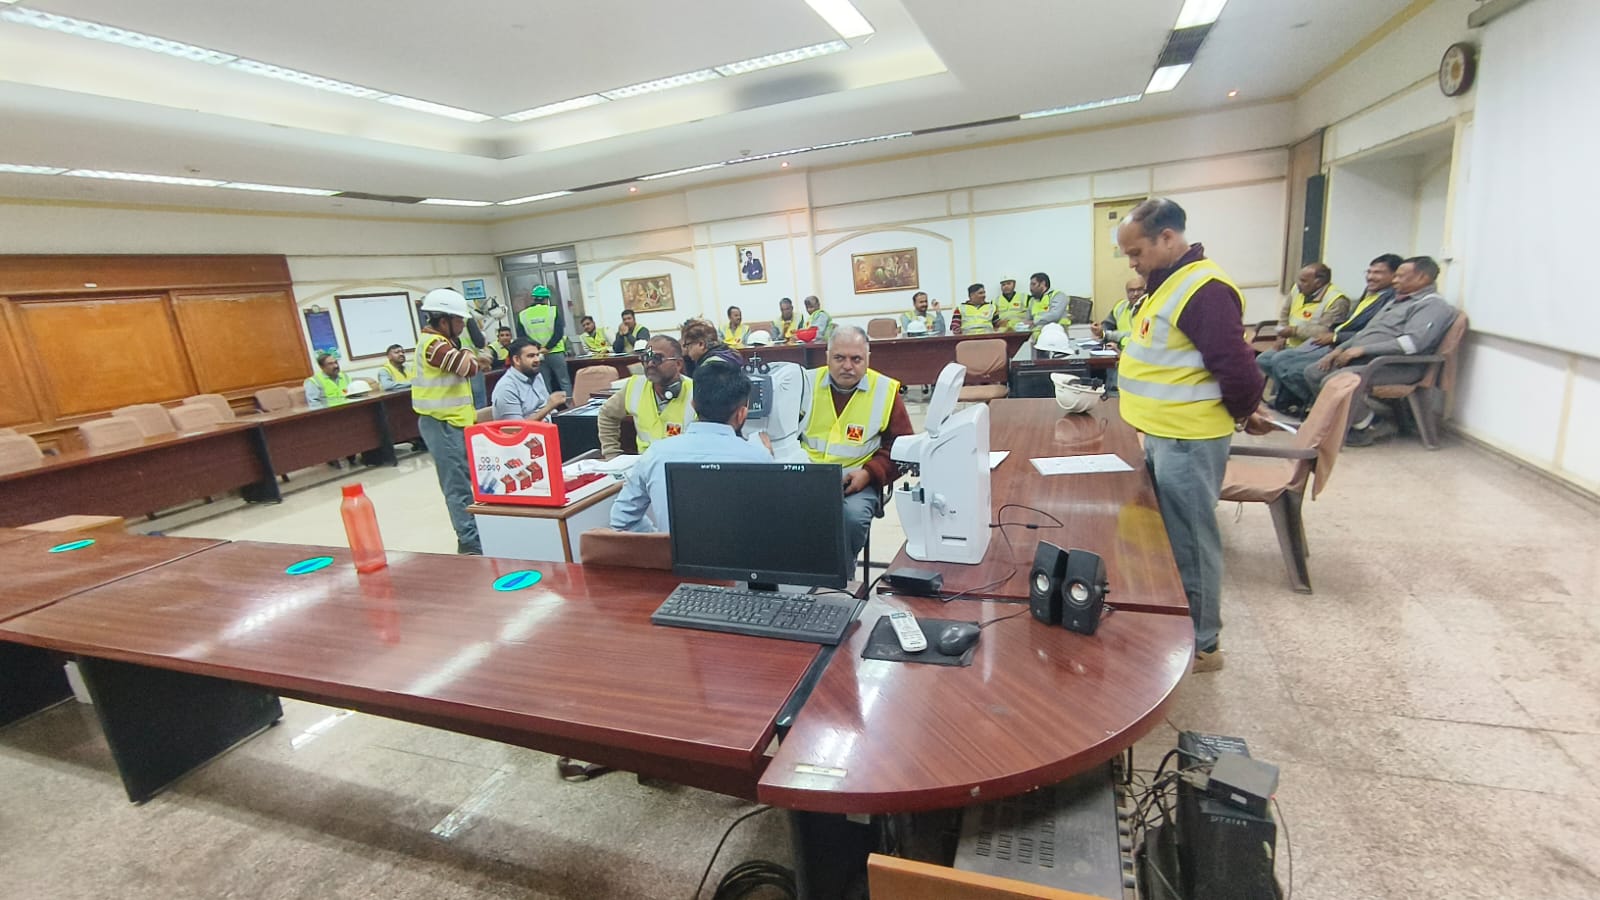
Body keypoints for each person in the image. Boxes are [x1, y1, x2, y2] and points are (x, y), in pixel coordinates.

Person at [1115, 198, 1272, 674]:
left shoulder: (1202, 288)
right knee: (1169, 536)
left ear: (1167, 237)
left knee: (1191, 540)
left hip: (1187, 438)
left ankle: (1204, 644)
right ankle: (1179, 623)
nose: (1132, 263)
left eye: (1136, 252)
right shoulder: (1167, 284)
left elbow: (1237, 367)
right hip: (1166, 433)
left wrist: (1244, 410)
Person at [1304, 255, 1457, 446]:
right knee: (1314, 372)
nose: (1394, 280)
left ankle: (1371, 425)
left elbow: (1412, 344)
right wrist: (1340, 350)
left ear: (1422, 278)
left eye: (1400, 276)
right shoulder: (1398, 300)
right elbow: (1366, 333)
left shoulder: (1432, 305)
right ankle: (1350, 422)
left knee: (1335, 380)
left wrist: (1362, 350)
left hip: (1398, 366)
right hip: (1371, 359)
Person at [610, 362, 773, 533]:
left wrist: (664, 541)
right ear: (741, 414)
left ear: (693, 405)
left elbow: (621, 519)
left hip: (671, 551)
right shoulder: (758, 458)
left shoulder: (655, 453)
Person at [798, 325, 914, 559]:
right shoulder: (804, 385)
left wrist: (869, 473)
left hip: (856, 483)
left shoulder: (886, 390)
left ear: (868, 359)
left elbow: (903, 449)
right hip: (804, 478)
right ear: (827, 357)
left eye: (856, 359)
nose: (847, 366)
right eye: (839, 358)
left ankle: (840, 577)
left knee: (850, 519)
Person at [1267, 254, 1401, 414]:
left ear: (1395, 275)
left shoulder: (1391, 300)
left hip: (1348, 346)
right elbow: (1285, 313)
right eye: (1369, 272)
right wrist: (1282, 335)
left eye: (1377, 273)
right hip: (1332, 340)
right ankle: (1296, 401)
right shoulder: (1372, 292)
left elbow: (1370, 333)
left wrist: (1337, 338)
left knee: (1296, 368)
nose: (1370, 277)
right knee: (1277, 359)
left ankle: (1319, 407)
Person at [413, 288, 493, 555]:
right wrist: (471, 354)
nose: (462, 325)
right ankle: (470, 543)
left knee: (468, 481)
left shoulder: (445, 342)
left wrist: (468, 354)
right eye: (459, 320)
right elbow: (468, 367)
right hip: (442, 424)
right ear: (442, 319)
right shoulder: (434, 345)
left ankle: (476, 534)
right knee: (457, 487)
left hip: (454, 423)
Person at [597, 335, 696, 458]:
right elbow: (606, 414)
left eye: (657, 358)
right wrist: (612, 455)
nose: (650, 363)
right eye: (646, 357)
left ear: (678, 364)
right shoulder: (635, 386)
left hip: (680, 465)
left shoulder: (696, 392)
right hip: (644, 465)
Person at [1270, 264, 1350, 354]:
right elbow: (1284, 314)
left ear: (1318, 283)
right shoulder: (1297, 289)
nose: (1298, 284)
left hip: (1313, 348)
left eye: (1303, 281)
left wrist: (1294, 331)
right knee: (1263, 358)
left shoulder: (1337, 300)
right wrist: (1281, 337)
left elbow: (1325, 331)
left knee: (1279, 359)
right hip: (1288, 343)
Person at [1092, 276, 1146, 394]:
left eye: (1140, 290)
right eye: (1131, 290)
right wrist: (1099, 330)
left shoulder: (1150, 309)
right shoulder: (1120, 307)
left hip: (1140, 357)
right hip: (1117, 353)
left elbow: (1137, 335)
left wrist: (1108, 335)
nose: (1136, 294)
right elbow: (1107, 325)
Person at [491, 339, 566, 421]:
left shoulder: (536, 375)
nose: (537, 360)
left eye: (537, 355)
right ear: (517, 360)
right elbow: (517, 427)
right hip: (533, 429)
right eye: (531, 356)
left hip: (551, 424)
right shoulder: (506, 388)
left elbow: (546, 407)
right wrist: (549, 406)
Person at [518, 285, 572, 396]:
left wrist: (538, 348)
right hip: (555, 351)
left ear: (533, 298)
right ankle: (569, 404)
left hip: (536, 354)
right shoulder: (553, 311)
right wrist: (547, 347)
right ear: (547, 299)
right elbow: (559, 332)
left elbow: (522, 337)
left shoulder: (523, 315)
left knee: (544, 384)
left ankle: (549, 406)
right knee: (564, 381)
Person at [680, 319, 746, 377]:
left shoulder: (708, 369)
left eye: (687, 345)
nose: (686, 349)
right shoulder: (729, 353)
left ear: (701, 344)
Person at [1027, 272, 1070, 339]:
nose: (1031, 288)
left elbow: (1055, 315)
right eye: (1030, 284)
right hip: (1036, 338)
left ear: (1042, 283)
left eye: (1034, 284)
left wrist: (1035, 321)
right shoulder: (1032, 300)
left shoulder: (1058, 295)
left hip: (1055, 335)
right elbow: (1028, 319)